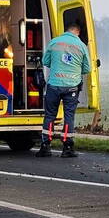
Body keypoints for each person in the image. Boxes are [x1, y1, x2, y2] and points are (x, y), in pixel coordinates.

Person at [37, 21, 91, 158]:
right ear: (78, 32)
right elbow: (87, 69)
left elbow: (45, 61)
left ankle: (45, 146)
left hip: (54, 85)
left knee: (50, 115)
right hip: (72, 87)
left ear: (67, 30)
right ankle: (67, 147)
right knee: (69, 116)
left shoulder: (54, 42)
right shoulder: (82, 46)